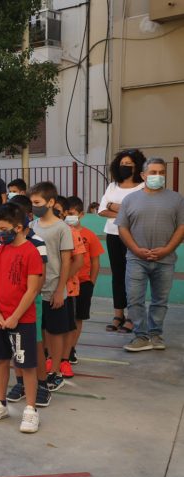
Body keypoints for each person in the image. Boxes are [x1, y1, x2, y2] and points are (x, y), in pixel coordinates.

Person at [0, 203, 44, 434]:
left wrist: (16, 316)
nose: (0, 233)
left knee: (26, 366)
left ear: (18, 227)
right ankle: (0, 403)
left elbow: (32, 290)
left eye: (4, 229)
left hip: (22, 320)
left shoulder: (31, 252)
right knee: (1, 361)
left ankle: (31, 410)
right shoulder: (0, 251)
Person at [116, 158, 184, 352]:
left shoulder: (176, 199)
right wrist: (136, 250)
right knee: (134, 299)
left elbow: (181, 227)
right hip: (136, 259)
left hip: (165, 260)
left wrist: (167, 249)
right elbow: (122, 228)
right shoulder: (130, 199)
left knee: (160, 301)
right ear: (143, 175)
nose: (158, 176)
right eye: (153, 172)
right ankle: (141, 336)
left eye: (161, 172)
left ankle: (155, 335)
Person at [4, 195, 51, 408]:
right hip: (10, 303)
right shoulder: (5, 244)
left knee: (34, 344)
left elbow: (39, 278)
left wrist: (28, 299)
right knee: (15, 344)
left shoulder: (36, 242)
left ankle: (42, 385)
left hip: (31, 302)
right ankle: (21, 382)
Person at [29, 182, 74, 392]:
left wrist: (59, 290)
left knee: (56, 333)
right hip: (35, 289)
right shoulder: (32, 226)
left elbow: (66, 262)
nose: (34, 206)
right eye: (32, 202)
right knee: (41, 332)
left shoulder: (62, 228)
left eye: (37, 202)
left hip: (54, 290)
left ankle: (56, 372)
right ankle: (42, 368)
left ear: (50, 202)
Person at [98, 149, 146, 333]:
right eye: (122, 164)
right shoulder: (112, 186)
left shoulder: (142, 187)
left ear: (137, 166)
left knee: (133, 276)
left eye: (129, 164)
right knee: (117, 275)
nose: (124, 167)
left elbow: (140, 211)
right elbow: (102, 210)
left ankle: (133, 317)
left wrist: (114, 206)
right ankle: (118, 315)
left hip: (135, 236)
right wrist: (124, 211)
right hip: (113, 234)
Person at [51, 196, 87, 379]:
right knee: (48, 327)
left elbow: (79, 261)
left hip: (67, 288)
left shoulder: (71, 232)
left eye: (57, 209)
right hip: (46, 288)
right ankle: (50, 358)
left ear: (64, 213)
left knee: (67, 327)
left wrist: (62, 281)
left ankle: (64, 359)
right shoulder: (39, 229)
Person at [65, 196, 104, 364]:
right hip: (65, 283)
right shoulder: (62, 233)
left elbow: (95, 261)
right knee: (65, 318)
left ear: (81, 214)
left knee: (78, 318)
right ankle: (60, 350)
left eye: (72, 213)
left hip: (83, 282)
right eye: (66, 213)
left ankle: (71, 349)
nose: (69, 217)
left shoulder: (90, 235)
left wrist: (91, 282)